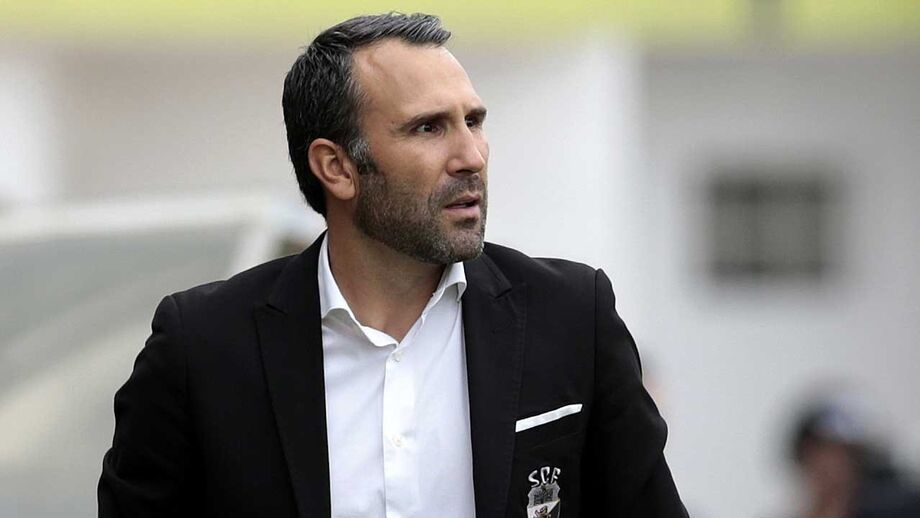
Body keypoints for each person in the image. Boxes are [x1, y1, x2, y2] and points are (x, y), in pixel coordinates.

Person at [98, 13, 687, 517]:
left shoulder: (571, 317)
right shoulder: (202, 348)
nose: (471, 156)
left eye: (474, 121)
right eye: (429, 128)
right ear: (337, 168)